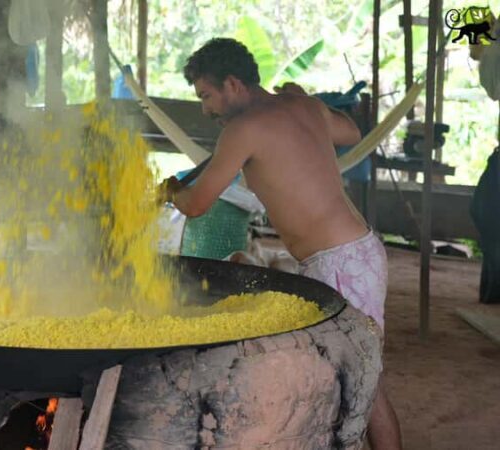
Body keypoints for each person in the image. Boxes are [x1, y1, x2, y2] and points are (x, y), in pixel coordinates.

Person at [160, 37, 402, 449]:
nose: (205, 109)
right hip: (350, 253)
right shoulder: (300, 107)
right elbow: (350, 131)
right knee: (353, 378)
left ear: (233, 84)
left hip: (340, 260)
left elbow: (197, 204)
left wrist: (170, 192)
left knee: (365, 381)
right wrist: (309, 101)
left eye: (206, 96)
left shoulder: (243, 129)